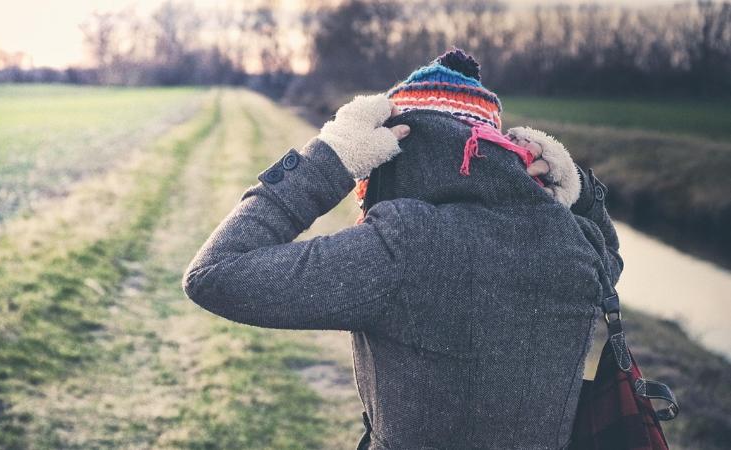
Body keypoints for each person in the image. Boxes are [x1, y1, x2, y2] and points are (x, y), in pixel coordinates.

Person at [182, 49, 622, 449]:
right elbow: (609, 261)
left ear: (395, 151)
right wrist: (581, 191)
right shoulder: (572, 242)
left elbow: (215, 274)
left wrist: (329, 159)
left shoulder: (402, 246)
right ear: (498, 150)